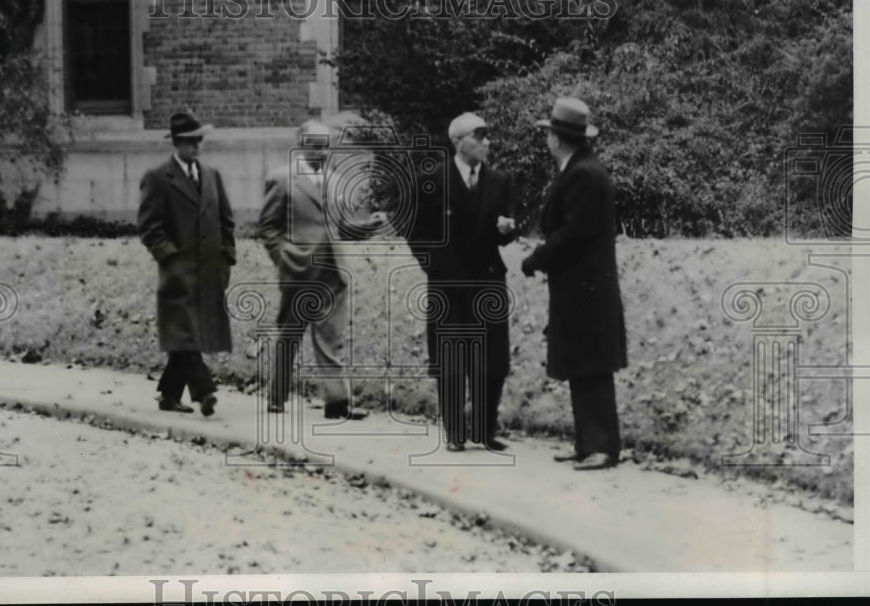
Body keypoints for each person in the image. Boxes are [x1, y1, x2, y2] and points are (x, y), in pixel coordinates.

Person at [521, 97, 627, 470]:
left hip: (585, 289)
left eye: (549, 132)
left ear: (559, 138)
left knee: (591, 365)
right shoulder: (582, 168)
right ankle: (589, 444)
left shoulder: (582, 174)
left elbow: (573, 232)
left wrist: (537, 258)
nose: (547, 138)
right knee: (585, 365)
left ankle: (600, 447)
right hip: (582, 287)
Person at [259, 119, 386, 420]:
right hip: (299, 272)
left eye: (327, 146)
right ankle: (276, 397)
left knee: (331, 337)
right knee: (290, 334)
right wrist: (284, 259)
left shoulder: (335, 180)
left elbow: (340, 227)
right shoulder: (282, 179)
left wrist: (369, 226)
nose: (324, 153)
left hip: (333, 270)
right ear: (302, 145)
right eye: (317, 146)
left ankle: (337, 402)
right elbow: (267, 227)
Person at [405, 112, 516, 452]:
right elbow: (414, 231)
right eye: (478, 136)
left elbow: (510, 224)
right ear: (457, 141)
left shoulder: (500, 181)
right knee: (451, 361)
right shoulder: (432, 180)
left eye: (487, 136)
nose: (486, 142)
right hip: (449, 283)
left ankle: (484, 429)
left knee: (492, 361)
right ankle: (455, 431)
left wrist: (508, 230)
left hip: (486, 280)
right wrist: (435, 267)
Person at [137, 111, 236, 416]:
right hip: (178, 273)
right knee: (187, 333)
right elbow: (149, 227)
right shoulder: (157, 177)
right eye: (192, 142)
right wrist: (170, 258)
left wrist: (226, 255)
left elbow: (226, 220)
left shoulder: (211, 175)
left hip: (209, 271)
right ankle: (204, 390)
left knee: (187, 334)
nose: (198, 147)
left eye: (200, 141)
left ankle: (169, 395)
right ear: (177, 144)